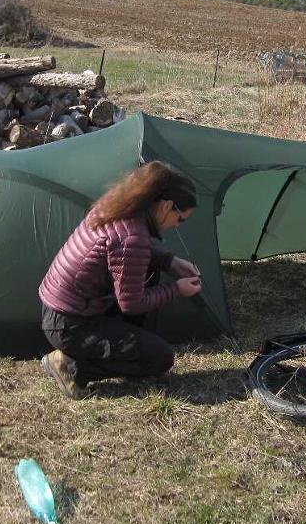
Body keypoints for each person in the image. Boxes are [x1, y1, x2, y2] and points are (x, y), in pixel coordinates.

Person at [38, 161, 202, 399]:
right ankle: (70, 366)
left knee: (150, 273)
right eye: (180, 219)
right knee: (161, 358)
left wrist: (169, 261)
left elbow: (125, 251)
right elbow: (132, 304)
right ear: (167, 206)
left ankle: (127, 349)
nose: (177, 226)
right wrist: (176, 289)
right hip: (70, 325)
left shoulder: (121, 206)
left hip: (60, 309)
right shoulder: (132, 238)